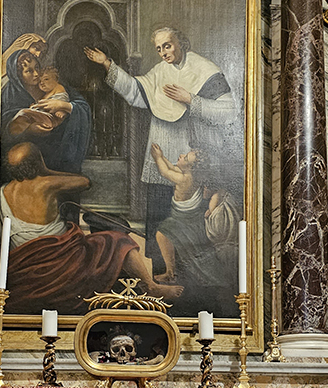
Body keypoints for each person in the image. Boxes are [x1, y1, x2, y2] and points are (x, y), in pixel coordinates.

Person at [84, 27, 238, 272]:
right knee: (158, 219)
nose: (163, 52)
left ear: (181, 42)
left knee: (188, 225)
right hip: (160, 155)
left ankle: (189, 275)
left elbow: (229, 112)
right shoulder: (160, 71)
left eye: (168, 45)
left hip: (190, 158)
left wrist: (191, 99)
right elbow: (135, 92)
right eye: (159, 48)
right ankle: (158, 272)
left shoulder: (204, 70)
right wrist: (107, 65)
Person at [1, 143, 182, 315]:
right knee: (118, 240)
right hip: (64, 258)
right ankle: (150, 286)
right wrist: (46, 171)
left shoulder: (3, 192)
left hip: (26, 263)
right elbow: (84, 182)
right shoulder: (46, 183)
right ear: (37, 163)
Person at [148, 143, 234, 315]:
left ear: (192, 168)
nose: (181, 156)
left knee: (162, 233)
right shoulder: (188, 174)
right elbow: (172, 166)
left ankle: (170, 272)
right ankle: (170, 272)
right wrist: (163, 156)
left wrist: (157, 158)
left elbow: (165, 172)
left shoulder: (185, 179)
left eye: (185, 158)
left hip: (182, 219)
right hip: (188, 217)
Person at [0, 50, 90, 175]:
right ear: (18, 75)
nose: (36, 74)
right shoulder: (9, 95)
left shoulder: (52, 83)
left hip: (58, 148)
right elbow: (1, 131)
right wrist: (29, 130)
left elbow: (83, 106)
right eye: (29, 71)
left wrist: (64, 105)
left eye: (37, 67)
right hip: (30, 157)